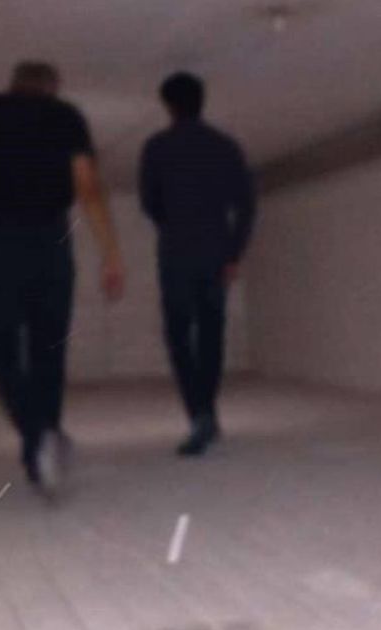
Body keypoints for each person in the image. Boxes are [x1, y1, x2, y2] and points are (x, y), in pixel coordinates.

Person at [0, 61, 124, 490]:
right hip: (52, 240)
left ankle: (36, 435)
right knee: (49, 349)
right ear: (53, 88)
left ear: (13, 83)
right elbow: (87, 187)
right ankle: (42, 444)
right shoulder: (67, 117)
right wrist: (111, 254)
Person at [139, 72, 256, 457]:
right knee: (211, 335)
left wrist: (172, 225)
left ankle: (200, 413)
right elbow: (246, 205)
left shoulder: (157, 147)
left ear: (168, 106)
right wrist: (234, 253)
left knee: (178, 336)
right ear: (201, 102)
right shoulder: (225, 147)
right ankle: (206, 411)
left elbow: (149, 201)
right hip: (216, 253)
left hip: (176, 254)